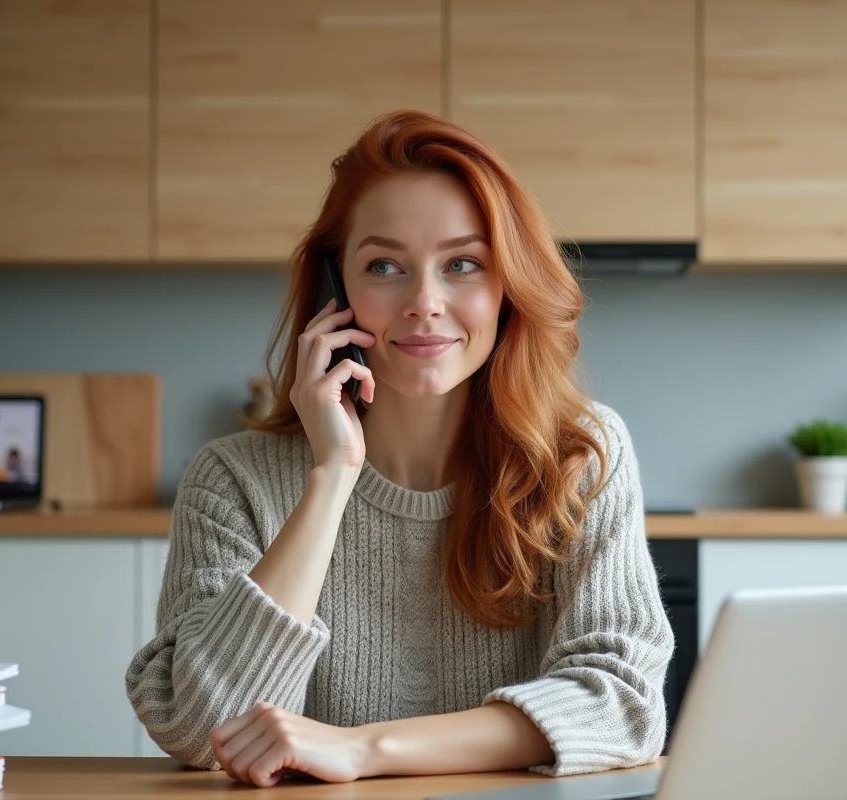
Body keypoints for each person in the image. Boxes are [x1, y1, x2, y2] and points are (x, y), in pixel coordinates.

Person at [125, 109, 673, 788]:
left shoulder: (580, 456)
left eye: (463, 264)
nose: (424, 302)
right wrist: (331, 475)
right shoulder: (231, 480)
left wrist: (363, 750)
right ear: (336, 289)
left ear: (508, 285)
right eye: (384, 265)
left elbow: (623, 707)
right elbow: (203, 730)